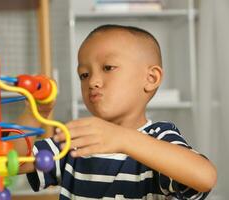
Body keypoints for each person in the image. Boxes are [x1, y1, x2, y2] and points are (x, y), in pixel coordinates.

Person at [12, 24, 217, 199]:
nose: (92, 81)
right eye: (84, 74)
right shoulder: (76, 139)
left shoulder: (160, 137)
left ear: (151, 78)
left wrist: (123, 139)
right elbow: (12, 162)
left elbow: (205, 177)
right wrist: (34, 112)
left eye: (108, 67)